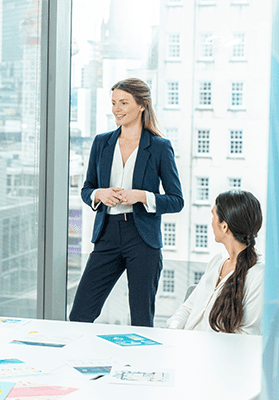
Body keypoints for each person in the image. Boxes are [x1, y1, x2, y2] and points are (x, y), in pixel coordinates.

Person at [69, 77, 184, 327]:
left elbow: (176, 201)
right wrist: (99, 194)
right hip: (107, 235)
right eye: (113, 103)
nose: (117, 109)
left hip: (142, 238)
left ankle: (142, 367)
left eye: (123, 102)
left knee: (142, 320)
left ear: (142, 105)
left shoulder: (160, 147)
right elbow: (87, 188)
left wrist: (141, 196)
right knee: (79, 315)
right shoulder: (102, 143)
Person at [166, 190, 264, 334]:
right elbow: (187, 308)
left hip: (215, 355)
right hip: (185, 345)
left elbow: (247, 335)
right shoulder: (217, 262)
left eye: (213, 216)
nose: (211, 222)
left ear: (224, 226)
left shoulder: (258, 275)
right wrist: (172, 330)